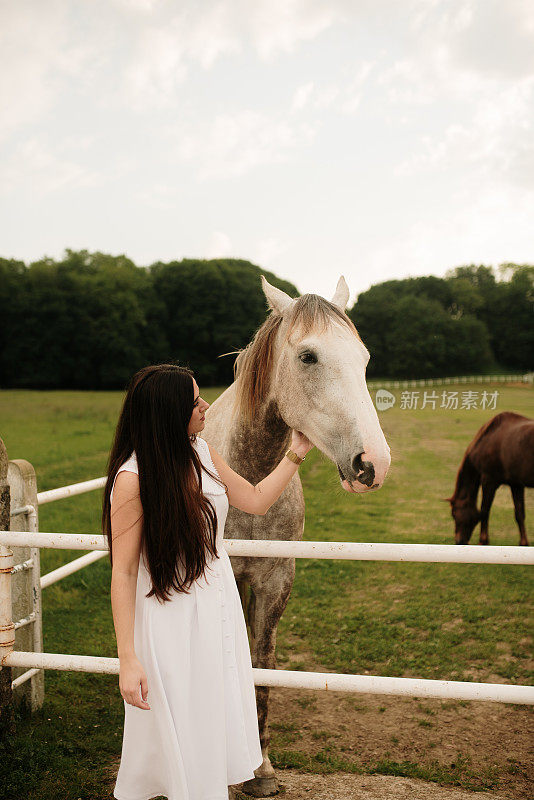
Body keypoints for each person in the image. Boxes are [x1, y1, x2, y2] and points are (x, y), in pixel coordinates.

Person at [102, 363, 314, 800]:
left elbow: (255, 500)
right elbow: (122, 572)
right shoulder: (132, 478)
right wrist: (128, 658)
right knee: (185, 722)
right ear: (168, 413)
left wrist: (296, 452)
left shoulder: (200, 450)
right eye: (195, 401)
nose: (206, 407)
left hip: (218, 608)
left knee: (213, 718)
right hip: (170, 619)